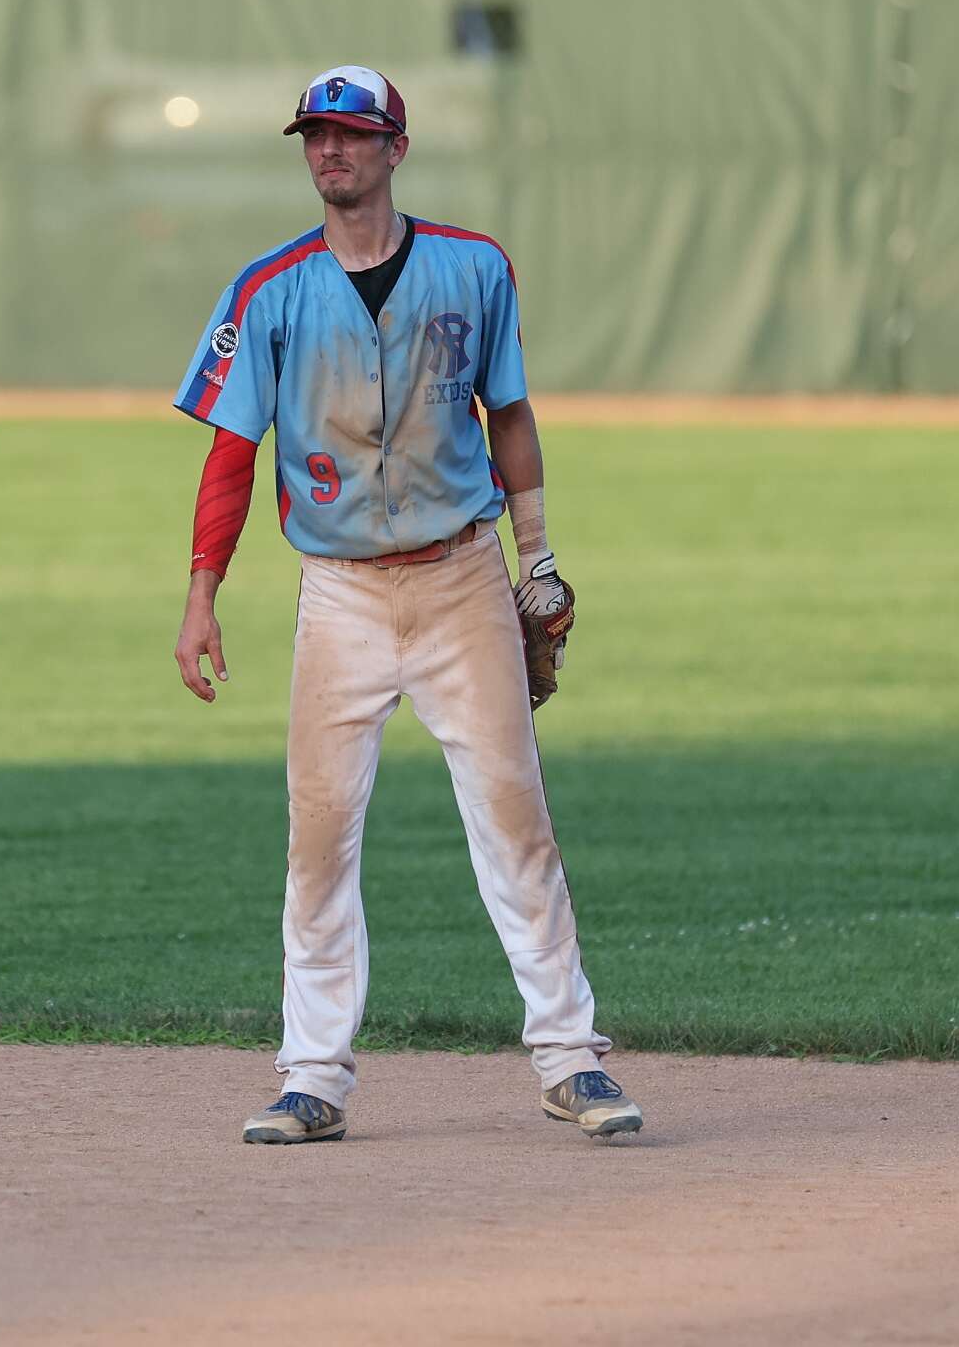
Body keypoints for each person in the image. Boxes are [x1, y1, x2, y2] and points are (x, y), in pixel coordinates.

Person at [170, 66, 642, 1145]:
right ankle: (312, 1077)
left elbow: (509, 413)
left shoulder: (473, 267)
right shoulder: (269, 287)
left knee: (515, 817)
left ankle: (571, 1059)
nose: (328, 150)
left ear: (396, 147)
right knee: (318, 836)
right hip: (338, 595)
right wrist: (201, 595)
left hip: (460, 579)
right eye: (314, 135)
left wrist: (536, 557)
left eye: (349, 133)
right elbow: (230, 454)